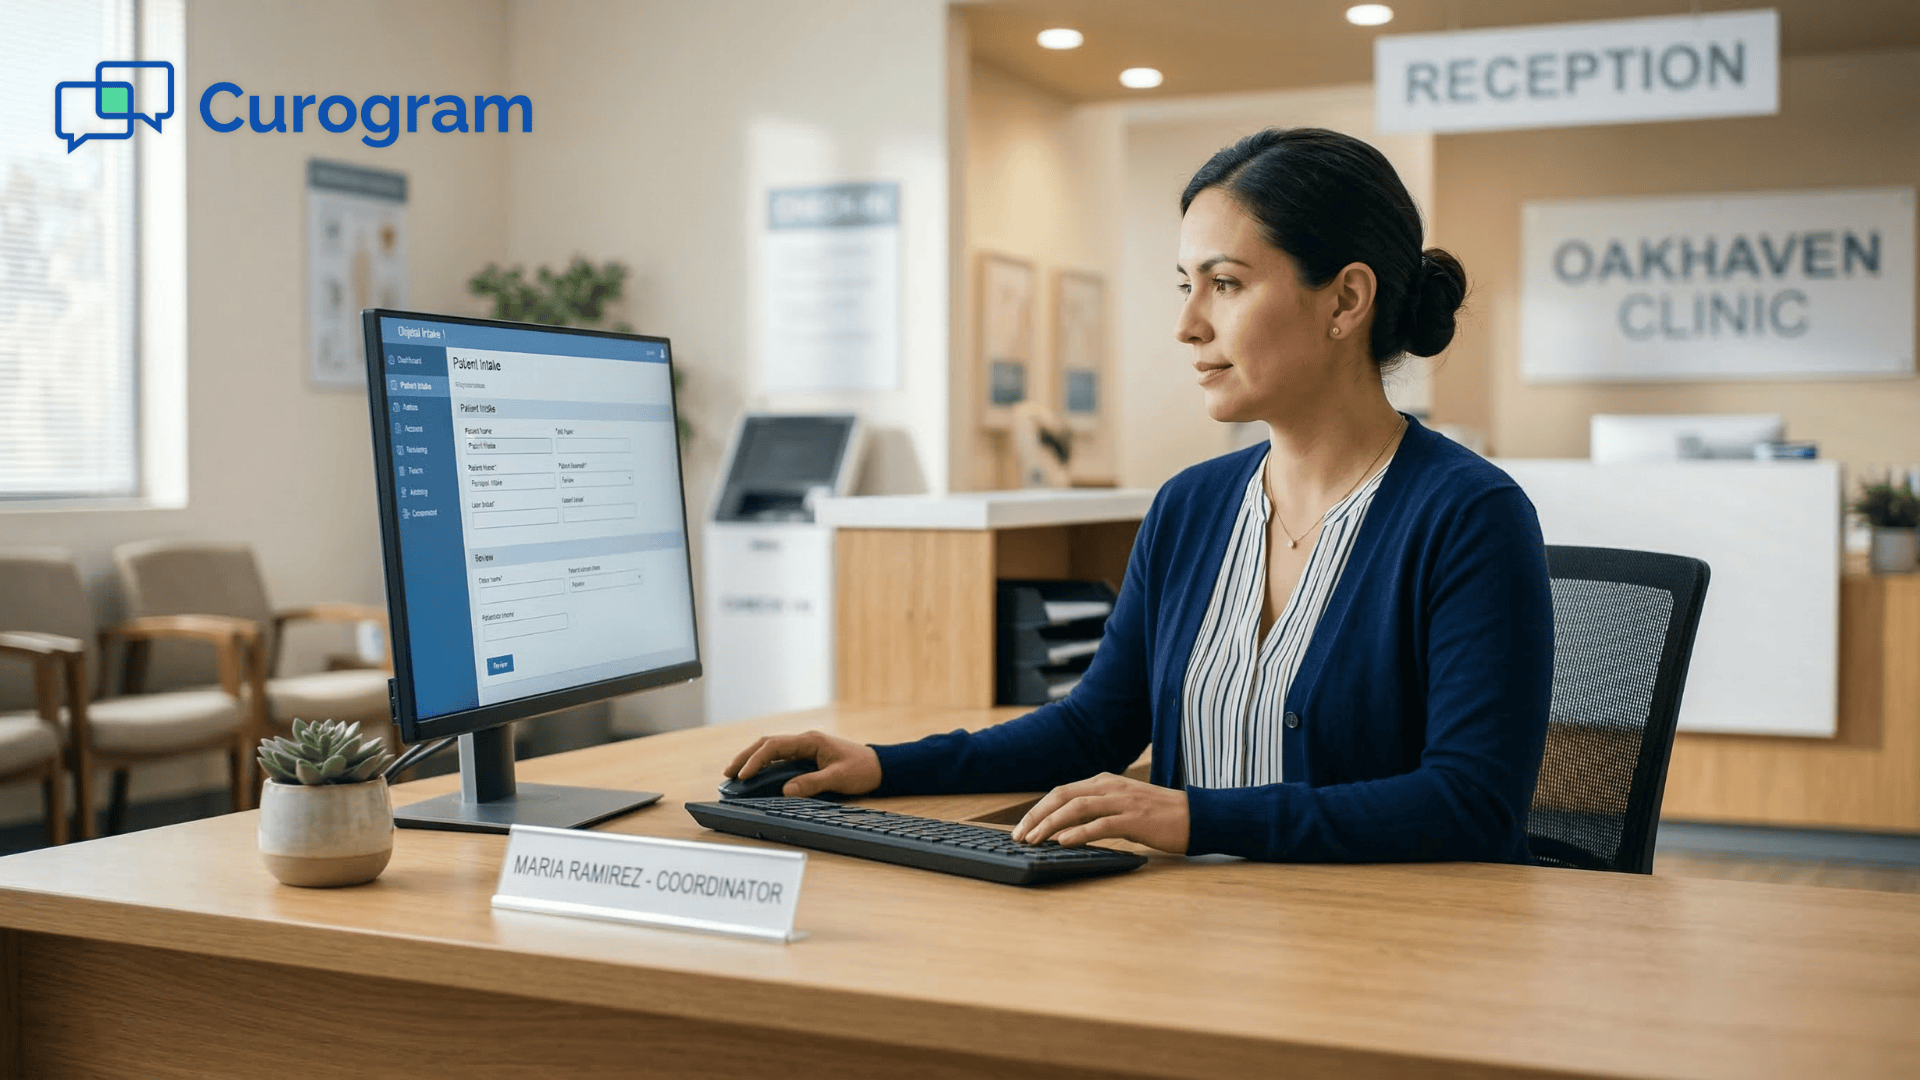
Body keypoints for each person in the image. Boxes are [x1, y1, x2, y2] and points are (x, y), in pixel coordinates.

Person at [726, 128, 1553, 864]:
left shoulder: (1468, 515)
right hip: (1193, 942)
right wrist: (880, 764)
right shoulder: (1190, 506)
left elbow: (1470, 805)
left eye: (1225, 283)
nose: (1188, 324)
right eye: (1184, 285)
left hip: (1381, 957)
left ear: (1345, 300)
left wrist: (1197, 820)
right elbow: (1093, 729)